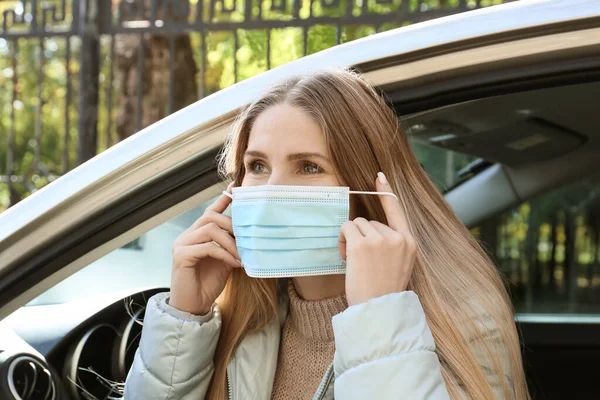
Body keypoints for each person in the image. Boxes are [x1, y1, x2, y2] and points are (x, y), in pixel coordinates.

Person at [123, 69, 529, 399]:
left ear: (370, 187)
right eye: (258, 166)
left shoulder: (465, 325)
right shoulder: (243, 317)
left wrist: (380, 316)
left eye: (309, 167)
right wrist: (184, 322)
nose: (270, 193)